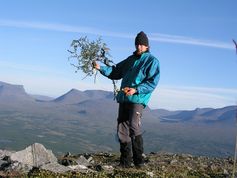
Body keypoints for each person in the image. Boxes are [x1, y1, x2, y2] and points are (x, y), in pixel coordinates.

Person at [93, 31, 160, 168]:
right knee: (122, 128)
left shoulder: (152, 61)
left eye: (142, 44)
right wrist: (100, 68)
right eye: (137, 44)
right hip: (124, 97)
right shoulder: (130, 60)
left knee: (134, 126)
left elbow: (152, 82)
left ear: (147, 46)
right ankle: (125, 162)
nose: (139, 47)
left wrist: (136, 89)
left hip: (137, 99)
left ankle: (139, 162)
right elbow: (116, 71)